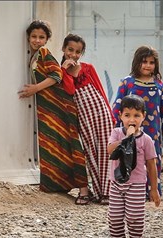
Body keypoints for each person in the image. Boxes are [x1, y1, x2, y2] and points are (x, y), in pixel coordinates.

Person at [18, 20, 89, 204]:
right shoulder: (34, 55)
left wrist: (35, 88)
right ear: (28, 37)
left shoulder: (43, 52)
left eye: (42, 37)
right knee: (54, 145)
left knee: (71, 144)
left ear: (47, 39)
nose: (37, 40)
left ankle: (84, 190)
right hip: (50, 108)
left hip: (61, 105)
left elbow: (56, 76)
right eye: (34, 36)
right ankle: (55, 185)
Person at [61, 34, 116, 205]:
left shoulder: (88, 68)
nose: (74, 55)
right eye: (70, 50)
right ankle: (98, 191)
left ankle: (107, 193)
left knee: (105, 150)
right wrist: (64, 70)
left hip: (100, 111)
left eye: (78, 52)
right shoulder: (60, 71)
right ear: (63, 49)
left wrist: (110, 113)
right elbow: (69, 91)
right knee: (90, 151)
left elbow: (100, 89)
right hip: (83, 116)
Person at [105, 94, 160, 238]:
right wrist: (126, 138)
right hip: (116, 183)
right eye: (127, 115)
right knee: (114, 217)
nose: (131, 119)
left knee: (135, 217)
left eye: (136, 115)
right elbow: (110, 151)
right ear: (120, 116)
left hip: (136, 184)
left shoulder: (146, 140)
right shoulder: (116, 133)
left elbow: (151, 165)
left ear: (143, 117)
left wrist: (154, 189)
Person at [112, 45, 163, 199]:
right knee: (130, 157)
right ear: (137, 62)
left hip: (153, 132)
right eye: (144, 61)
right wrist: (115, 128)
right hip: (129, 130)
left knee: (152, 159)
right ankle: (129, 189)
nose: (147, 65)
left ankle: (152, 191)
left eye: (151, 62)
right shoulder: (127, 82)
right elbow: (117, 105)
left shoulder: (159, 84)